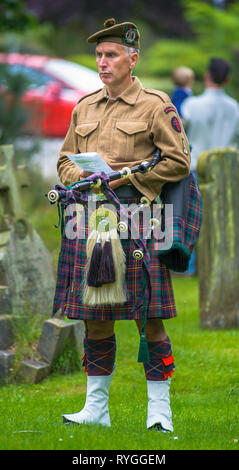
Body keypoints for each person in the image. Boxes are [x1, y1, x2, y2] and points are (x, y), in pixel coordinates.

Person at [53, 18, 191, 433]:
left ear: (132, 59)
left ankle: (159, 413)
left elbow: (179, 161)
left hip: (141, 220)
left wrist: (126, 175)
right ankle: (96, 409)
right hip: (93, 220)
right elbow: (63, 160)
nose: (102, 62)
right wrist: (85, 176)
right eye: (98, 55)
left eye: (111, 55)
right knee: (95, 317)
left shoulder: (155, 104)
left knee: (149, 317)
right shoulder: (85, 106)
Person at [181, 58, 239, 173]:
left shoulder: (191, 104)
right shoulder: (234, 107)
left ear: (207, 76)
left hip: (196, 169)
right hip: (225, 171)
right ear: (227, 80)